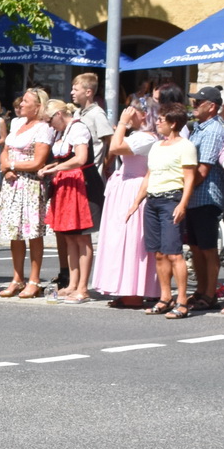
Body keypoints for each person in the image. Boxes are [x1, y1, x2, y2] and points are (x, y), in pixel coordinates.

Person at [127, 106, 198, 317]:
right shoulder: (157, 145)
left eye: (161, 119)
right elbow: (150, 175)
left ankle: (182, 301)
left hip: (171, 200)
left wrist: (182, 204)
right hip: (153, 201)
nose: (157, 122)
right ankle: (165, 298)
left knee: (174, 253)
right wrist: (136, 202)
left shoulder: (186, 146)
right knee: (158, 254)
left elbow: (189, 178)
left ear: (173, 123)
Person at [91, 105, 159, 307]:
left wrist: (121, 123)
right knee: (118, 239)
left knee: (131, 239)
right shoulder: (137, 135)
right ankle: (122, 287)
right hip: (124, 187)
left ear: (145, 115)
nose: (128, 113)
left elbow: (115, 147)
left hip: (134, 187)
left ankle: (134, 291)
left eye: (134, 111)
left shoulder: (148, 138)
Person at [0, 87, 52, 298]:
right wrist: (7, 167)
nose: (21, 104)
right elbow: (5, 151)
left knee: (32, 233)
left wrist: (12, 165)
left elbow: (38, 161)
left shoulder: (43, 129)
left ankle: (34, 280)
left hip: (30, 185)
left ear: (38, 106)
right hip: (12, 185)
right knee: (14, 233)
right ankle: (17, 278)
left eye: (26, 101)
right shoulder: (18, 124)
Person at [42, 101, 94, 303]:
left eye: (49, 120)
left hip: (81, 184)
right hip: (66, 183)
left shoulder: (78, 128)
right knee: (69, 236)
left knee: (82, 236)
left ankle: (83, 287)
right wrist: (51, 167)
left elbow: (81, 158)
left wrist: (56, 168)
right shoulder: (64, 132)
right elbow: (67, 157)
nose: (49, 125)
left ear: (59, 114)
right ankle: (72, 284)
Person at [184, 86, 224, 312]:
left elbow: (203, 169)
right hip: (195, 196)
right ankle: (201, 289)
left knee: (208, 248)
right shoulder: (198, 128)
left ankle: (209, 293)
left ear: (212, 107)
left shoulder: (213, 130)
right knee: (196, 246)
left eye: (199, 102)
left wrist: (185, 190)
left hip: (206, 196)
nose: (194, 105)